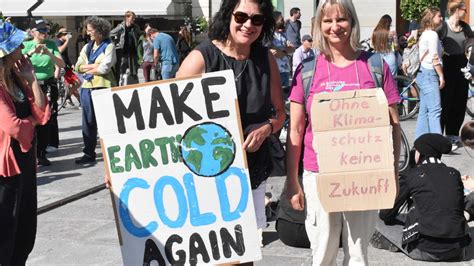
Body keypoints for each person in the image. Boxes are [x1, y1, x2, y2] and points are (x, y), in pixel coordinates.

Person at [284, 0, 401, 264]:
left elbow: (393, 124)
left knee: (358, 253)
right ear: (319, 25)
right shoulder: (307, 71)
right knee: (322, 252)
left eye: (341, 20)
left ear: (352, 22)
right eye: (328, 21)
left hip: (365, 174)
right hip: (319, 173)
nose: (335, 27)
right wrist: (293, 180)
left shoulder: (374, 65)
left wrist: (392, 171)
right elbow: (296, 130)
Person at [176, 0, 285, 253]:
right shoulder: (201, 57)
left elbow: (280, 114)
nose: (248, 25)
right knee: (210, 254)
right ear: (228, 16)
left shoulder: (265, 58)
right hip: (206, 174)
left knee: (244, 250)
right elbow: (163, 119)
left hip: (251, 172)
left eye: (257, 20)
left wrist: (266, 129)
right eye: (241, 16)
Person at [0, 19, 50, 265]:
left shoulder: (18, 77)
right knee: (6, 229)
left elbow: (43, 114)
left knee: (25, 225)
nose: (22, 50)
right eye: (17, 46)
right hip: (6, 169)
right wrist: (31, 120)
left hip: (25, 162)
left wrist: (31, 80)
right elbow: (13, 127)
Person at [375, 133, 470, 262]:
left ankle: (394, 242)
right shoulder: (454, 174)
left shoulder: (412, 175)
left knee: (377, 220)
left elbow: (386, 215)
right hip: (457, 249)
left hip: (424, 249)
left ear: (419, 153)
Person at [22, 19, 65, 166]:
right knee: (30, 118)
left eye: (46, 31)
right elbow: (17, 63)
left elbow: (61, 64)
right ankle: (29, 151)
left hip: (47, 85)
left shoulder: (51, 45)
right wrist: (31, 53)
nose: (45, 34)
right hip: (29, 86)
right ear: (33, 31)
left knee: (46, 118)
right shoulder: (26, 45)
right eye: (41, 31)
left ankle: (41, 153)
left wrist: (49, 53)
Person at [74, 16, 116, 164]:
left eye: (90, 30)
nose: (88, 33)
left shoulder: (109, 46)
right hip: (86, 87)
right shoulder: (87, 47)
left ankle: (111, 152)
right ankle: (88, 153)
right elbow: (77, 66)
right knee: (88, 122)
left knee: (106, 122)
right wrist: (95, 66)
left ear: (100, 31)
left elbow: (105, 68)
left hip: (104, 87)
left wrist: (88, 66)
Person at [437, 0, 474, 150]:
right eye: (464, 10)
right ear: (456, 10)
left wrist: (470, 48)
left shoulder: (465, 27)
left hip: (461, 65)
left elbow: (472, 40)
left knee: (460, 100)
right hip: (447, 65)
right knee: (446, 101)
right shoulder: (443, 27)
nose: (465, 12)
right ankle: (439, 134)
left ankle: (452, 134)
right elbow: (435, 44)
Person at [414, 7, 444, 139]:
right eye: (439, 16)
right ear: (432, 18)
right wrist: (441, 75)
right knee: (435, 111)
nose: (441, 18)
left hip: (422, 74)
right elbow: (434, 57)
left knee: (424, 112)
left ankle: (419, 142)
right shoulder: (432, 35)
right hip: (430, 74)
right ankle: (437, 144)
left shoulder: (425, 33)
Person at [110, 10, 140, 86]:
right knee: (121, 69)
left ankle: (133, 84)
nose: (134, 19)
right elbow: (111, 33)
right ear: (127, 18)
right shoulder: (121, 27)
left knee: (133, 70)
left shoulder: (136, 27)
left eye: (134, 18)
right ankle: (119, 84)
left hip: (132, 52)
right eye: (132, 18)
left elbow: (138, 37)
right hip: (123, 52)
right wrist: (116, 43)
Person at [268, 11, 294, 89]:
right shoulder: (269, 36)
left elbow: (292, 49)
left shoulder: (283, 35)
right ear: (274, 20)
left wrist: (283, 51)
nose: (283, 21)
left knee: (285, 96)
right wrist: (286, 51)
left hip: (285, 71)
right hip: (274, 72)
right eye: (281, 19)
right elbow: (275, 53)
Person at [55, 27, 80, 107]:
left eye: (67, 34)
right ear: (61, 35)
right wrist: (67, 41)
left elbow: (65, 56)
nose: (67, 36)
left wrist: (70, 63)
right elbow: (60, 51)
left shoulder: (63, 42)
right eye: (65, 34)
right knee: (74, 83)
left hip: (66, 67)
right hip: (62, 67)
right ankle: (66, 96)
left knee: (76, 83)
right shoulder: (58, 42)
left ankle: (67, 96)